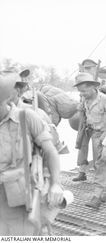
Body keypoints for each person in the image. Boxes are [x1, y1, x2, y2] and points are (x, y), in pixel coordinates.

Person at [0, 72, 64, 235]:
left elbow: (50, 151)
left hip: (20, 198)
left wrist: (54, 184)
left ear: (5, 99)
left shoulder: (27, 117)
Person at [72, 72, 106, 209]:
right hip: (95, 135)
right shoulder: (85, 100)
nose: (82, 94)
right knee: (99, 164)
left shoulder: (105, 100)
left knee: (103, 163)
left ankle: (96, 197)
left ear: (92, 87)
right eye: (80, 92)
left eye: (84, 91)